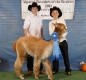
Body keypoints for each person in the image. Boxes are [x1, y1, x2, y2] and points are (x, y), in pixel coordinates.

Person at [49, 6, 71, 75]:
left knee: (65, 55)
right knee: (55, 56)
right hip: (55, 41)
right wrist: (56, 39)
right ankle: (55, 69)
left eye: (56, 12)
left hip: (63, 41)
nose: (55, 14)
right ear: (51, 14)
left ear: (58, 13)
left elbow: (66, 30)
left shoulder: (62, 21)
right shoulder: (50, 23)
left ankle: (67, 69)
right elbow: (51, 32)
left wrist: (61, 36)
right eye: (53, 13)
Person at [23, 2, 43, 75]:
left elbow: (41, 28)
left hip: (39, 39)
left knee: (39, 54)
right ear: (31, 9)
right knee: (30, 54)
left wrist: (42, 37)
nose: (35, 9)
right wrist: (27, 38)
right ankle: (30, 69)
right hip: (30, 38)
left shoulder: (40, 17)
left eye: (36, 8)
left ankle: (40, 69)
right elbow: (25, 28)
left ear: (38, 9)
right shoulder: (28, 17)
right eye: (33, 8)